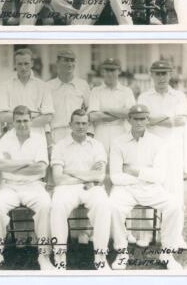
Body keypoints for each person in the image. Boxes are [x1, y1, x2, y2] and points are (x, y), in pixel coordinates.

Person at [109, 104, 184, 270]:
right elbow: (115, 177)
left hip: (150, 188)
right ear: (129, 119)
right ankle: (122, 253)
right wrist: (145, 175)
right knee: (113, 206)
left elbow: (160, 176)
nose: (139, 122)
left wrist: (134, 170)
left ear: (148, 120)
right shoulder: (118, 142)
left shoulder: (158, 143)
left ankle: (167, 253)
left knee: (174, 205)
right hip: (125, 189)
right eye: (135, 118)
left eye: (142, 118)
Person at [0, 105, 54, 271]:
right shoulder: (6, 139)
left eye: (25, 121)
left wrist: (12, 164)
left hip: (34, 185)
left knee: (45, 205)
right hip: (10, 186)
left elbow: (40, 169)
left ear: (31, 121)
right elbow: (0, 165)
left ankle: (44, 255)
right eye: (18, 121)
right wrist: (27, 162)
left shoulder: (39, 138)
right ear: (13, 122)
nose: (22, 124)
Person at [137, 60, 187, 247]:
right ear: (151, 74)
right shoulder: (144, 96)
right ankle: (146, 235)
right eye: (157, 73)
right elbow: (143, 120)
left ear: (170, 74)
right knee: (149, 188)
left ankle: (176, 236)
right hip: (150, 149)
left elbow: (182, 120)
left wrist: (156, 119)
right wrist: (168, 117)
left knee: (174, 190)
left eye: (164, 73)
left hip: (172, 148)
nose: (161, 77)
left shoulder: (178, 96)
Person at [50, 109, 111, 271]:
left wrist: (71, 172)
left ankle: (101, 258)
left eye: (84, 123)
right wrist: (86, 175)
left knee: (103, 204)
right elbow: (57, 178)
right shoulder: (60, 146)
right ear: (70, 124)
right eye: (77, 123)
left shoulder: (97, 145)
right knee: (57, 205)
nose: (81, 126)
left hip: (92, 187)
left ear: (89, 125)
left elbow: (99, 176)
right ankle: (60, 257)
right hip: (67, 188)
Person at [0, 48, 54, 136]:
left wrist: (20, 121)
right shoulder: (5, 86)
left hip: (37, 135)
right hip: (13, 135)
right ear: (15, 64)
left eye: (26, 64)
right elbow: (3, 116)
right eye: (20, 64)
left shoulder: (43, 86)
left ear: (32, 63)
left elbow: (48, 116)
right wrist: (36, 115)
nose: (23, 68)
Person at [88, 58, 135, 156]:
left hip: (120, 130)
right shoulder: (95, 91)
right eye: (107, 70)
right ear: (102, 71)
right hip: (100, 131)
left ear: (119, 71)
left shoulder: (126, 91)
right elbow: (93, 116)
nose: (110, 73)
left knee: (118, 164)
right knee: (101, 163)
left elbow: (131, 113)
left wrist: (106, 109)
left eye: (113, 70)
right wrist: (121, 113)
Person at [46, 47, 90, 143]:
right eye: (66, 60)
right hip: (56, 134)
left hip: (78, 133)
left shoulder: (83, 85)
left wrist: (88, 135)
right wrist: (49, 140)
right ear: (57, 63)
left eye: (72, 61)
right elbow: (45, 115)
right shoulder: (48, 86)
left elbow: (89, 111)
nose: (70, 64)